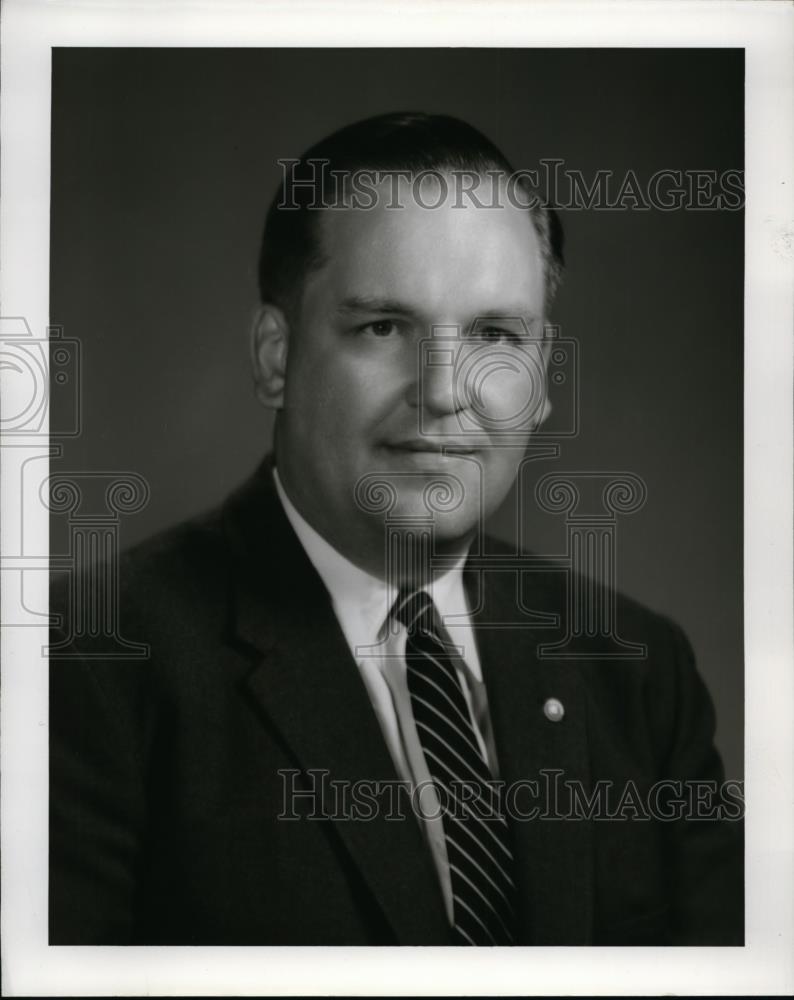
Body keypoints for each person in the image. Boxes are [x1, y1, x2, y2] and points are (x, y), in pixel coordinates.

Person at [49, 112, 743, 946]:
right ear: (276, 356)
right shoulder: (84, 663)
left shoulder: (639, 671)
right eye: (384, 327)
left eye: (494, 334)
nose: (446, 389)